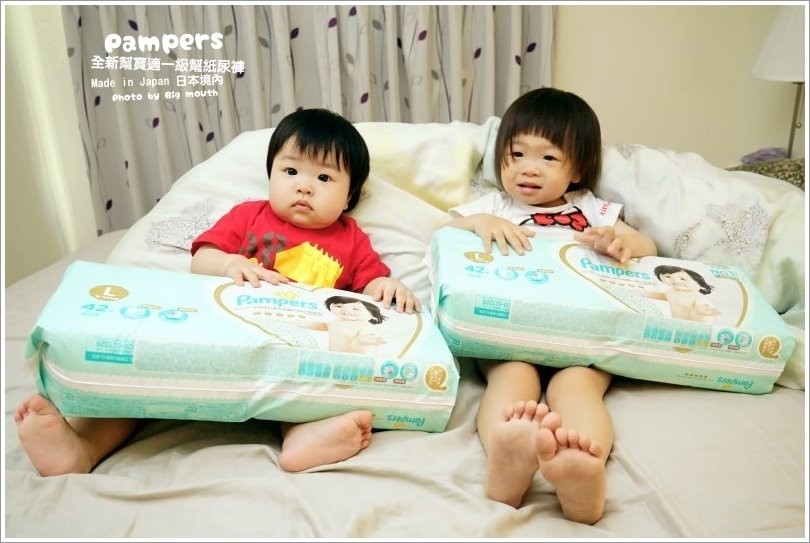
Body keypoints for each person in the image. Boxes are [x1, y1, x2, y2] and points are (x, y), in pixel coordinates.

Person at [15, 108, 420, 477]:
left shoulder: (351, 238)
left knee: (308, 390)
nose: (304, 187)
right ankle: (82, 448)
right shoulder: (249, 215)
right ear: (271, 175)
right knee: (139, 384)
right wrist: (229, 264)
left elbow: (370, 285)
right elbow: (202, 259)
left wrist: (387, 285)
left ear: (349, 197)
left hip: (290, 347)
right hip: (223, 334)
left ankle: (302, 438)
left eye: (324, 178)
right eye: (291, 171)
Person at [446, 87, 657, 524]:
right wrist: (482, 223)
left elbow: (646, 246)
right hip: (510, 329)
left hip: (583, 331)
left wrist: (617, 242)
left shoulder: (592, 209)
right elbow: (447, 231)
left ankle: (580, 464)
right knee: (511, 378)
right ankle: (508, 453)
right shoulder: (495, 205)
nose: (528, 168)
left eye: (548, 158)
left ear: (576, 169)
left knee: (577, 388)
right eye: (516, 154)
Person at [651, 264, 720, 322]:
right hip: (676, 323)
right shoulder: (672, 291)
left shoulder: (695, 296)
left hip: (693, 325)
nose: (675, 280)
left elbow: (706, 308)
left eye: (683, 279)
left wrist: (702, 314)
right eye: (668, 277)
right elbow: (663, 296)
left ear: (701, 286)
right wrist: (646, 293)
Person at [323, 295, 388, 354]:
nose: (346, 310)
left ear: (373, 316)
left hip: (352, 358)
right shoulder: (337, 321)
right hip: (333, 355)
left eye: (355, 309)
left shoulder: (364, 325)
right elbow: (326, 326)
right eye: (339, 306)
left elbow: (368, 332)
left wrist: (365, 339)